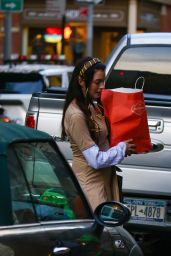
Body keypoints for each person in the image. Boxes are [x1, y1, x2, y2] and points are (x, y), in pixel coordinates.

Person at [61, 56, 136, 211]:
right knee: (99, 234)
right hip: (90, 190)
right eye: (97, 82)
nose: (102, 87)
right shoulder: (76, 115)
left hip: (103, 184)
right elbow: (95, 159)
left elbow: (103, 144)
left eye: (103, 81)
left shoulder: (91, 107)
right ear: (82, 81)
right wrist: (121, 149)